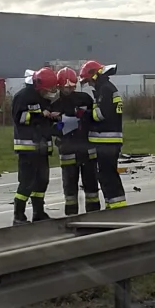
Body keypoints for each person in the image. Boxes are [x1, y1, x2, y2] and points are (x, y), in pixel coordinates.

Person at [12, 67, 59, 225]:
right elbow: (20, 117)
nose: (49, 92)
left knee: (42, 181)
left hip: (42, 147)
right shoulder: (22, 97)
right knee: (27, 182)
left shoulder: (42, 98)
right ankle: (19, 215)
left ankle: (38, 212)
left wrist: (53, 117)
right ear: (39, 85)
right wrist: (39, 114)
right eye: (48, 89)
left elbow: (45, 121)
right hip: (28, 147)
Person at [52, 67, 100, 214]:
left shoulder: (84, 98)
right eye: (66, 87)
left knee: (91, 185)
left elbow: (95, 119)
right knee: (70, 186)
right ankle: (71, 216)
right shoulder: (54, 104)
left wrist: (83, 116)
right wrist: (60, 123)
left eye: (72, 87)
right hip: (67, 150)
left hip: (87, 148)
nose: (69, 90)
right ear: (59, 86)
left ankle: (94, 214)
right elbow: (51, 128)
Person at [80, 59, 126, 209]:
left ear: (94, 76)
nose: (89, 84)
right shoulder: (108, 87)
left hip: (107, 141)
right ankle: (113, 205)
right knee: (108, 174)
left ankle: (116, 207)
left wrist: (84, 113)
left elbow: (99, 115)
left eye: (88, 81)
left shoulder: (105, 90)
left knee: (107, 175)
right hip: (110, 140)